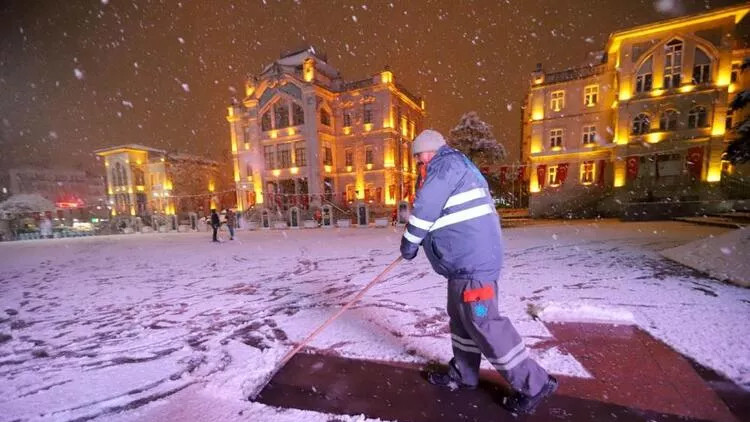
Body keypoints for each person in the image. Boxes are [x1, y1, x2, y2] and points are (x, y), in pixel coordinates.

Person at [400, 129, 557, 415]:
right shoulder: (455, 166)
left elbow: (424, 210)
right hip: (462, 265)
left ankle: (533, 382)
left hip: (473, 268)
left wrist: (409, 243)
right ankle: (463, 373)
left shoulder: (446, 165)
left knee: (483, 320)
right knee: (462, 320)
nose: (419, 163)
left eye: (419, 157)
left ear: (428, 152)